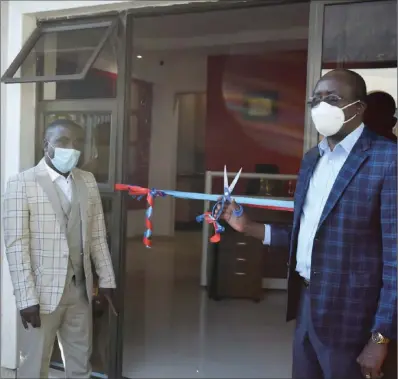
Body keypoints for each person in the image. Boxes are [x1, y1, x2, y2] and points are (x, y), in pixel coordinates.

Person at [216, 69, 397, 379]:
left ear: (358, 108)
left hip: (354, 320)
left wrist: (381, 337)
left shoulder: (388, 160)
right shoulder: (313, 159)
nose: (320, 106)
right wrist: (248, 226)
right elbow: (308, 235)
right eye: (316, 99)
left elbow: (396, 259)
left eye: (332, 99)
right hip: (307, 306)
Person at [2, 119, 117, 379]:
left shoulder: (86, 181)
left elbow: (98, 235)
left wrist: (107, 279)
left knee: (80, 363)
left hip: (80, 292)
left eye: (76, 142)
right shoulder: (22, 183)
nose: (71, 148)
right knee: (34, 365)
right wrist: (25, 299)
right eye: (63, 141)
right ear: (46, 145)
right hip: (40, 296)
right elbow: (16, 246)